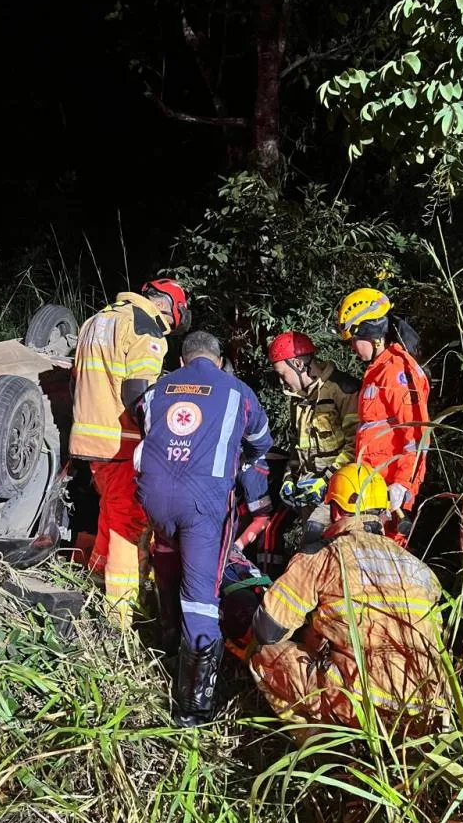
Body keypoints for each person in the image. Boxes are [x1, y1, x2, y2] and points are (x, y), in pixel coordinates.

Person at [135, 330, 272, 726]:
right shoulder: (237, 391)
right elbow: (262, 443)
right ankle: (193, 707)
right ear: (218, 361)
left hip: (155, 499)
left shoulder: (158, 389)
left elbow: (145, 430)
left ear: (181, 361)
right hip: (202, 505)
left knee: (166, 558)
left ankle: (165, 646)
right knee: (201, 597)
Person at [248, 463, 447, 733]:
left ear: (336, 510)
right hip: (425, 709)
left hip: (362, 705)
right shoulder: (417, 567)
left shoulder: (324, 556)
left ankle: (320, 748)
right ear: (381, 512)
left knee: (264, 655)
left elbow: (267, 629)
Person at [70, 278, 190, 628]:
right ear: (170, 308)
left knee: (110, 515)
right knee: (128, 527)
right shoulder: (145, 327)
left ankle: (94, 583)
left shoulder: (98, 319)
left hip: (93, 440)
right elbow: (140, 391)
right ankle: (121, 617)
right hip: (123, 440)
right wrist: (161, 439)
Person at [336, 288, 430, 545]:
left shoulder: (398, 371)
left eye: (354, 340)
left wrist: (402, 485)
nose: (352, 348)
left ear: (371, 334)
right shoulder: (375, 372)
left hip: (391, 496)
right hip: (371, 492)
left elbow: (417, 436)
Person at [267, 331, 359, 545]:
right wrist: (289, 478)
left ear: (298, 364)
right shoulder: (297, 399)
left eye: (283, 375)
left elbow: (356, 446)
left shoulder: (343, 390)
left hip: (340, 498)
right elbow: (296, 445)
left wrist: (326, 479)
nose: (282, 383)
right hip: (308, 496)